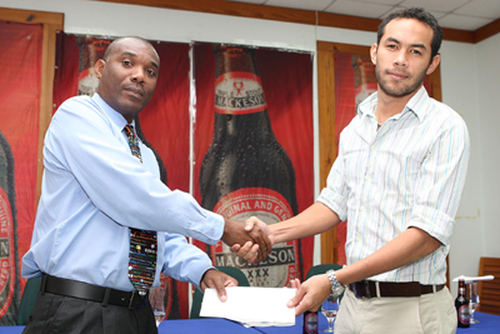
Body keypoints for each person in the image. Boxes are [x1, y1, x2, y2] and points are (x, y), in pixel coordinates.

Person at [236, 7, 470, 334]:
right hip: (352, 305)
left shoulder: (445, 128)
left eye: (416, 51)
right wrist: (272, 233)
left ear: (432, 63)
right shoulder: (355, 129)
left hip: (409, 309)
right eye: (392, 46)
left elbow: (425, 237)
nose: (401, 59)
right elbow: (333, 204)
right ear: (375, 53)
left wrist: (334, 279)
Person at [22, 36, 271, 334]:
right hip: (77, 312)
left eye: (150, 72)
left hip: (136, 315)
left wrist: (201, 269)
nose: (139, 75)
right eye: (127, 63)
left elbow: (155, 231)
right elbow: (133, 198)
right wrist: (222, 227)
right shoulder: (76, 116)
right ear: (100, 68)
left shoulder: (145, 155)